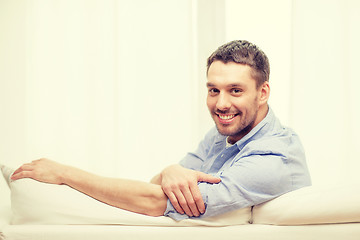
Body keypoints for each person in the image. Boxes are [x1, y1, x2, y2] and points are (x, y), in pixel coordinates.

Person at [11, 40, 311, 221]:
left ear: (263, 92)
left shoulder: (275, 156)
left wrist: (65, 174)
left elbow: (156, 202)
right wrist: (169, 171)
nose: (221, 104)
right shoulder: (225, 133)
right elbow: (156, 185)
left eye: (235, 90)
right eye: (213, 90)